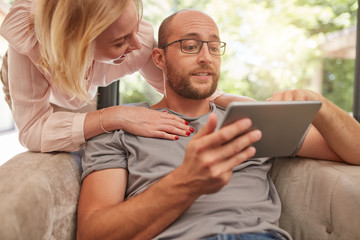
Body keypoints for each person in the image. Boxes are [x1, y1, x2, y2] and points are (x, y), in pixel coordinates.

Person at [77, 9, 360, 240]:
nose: (206, 57)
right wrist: (187, 182)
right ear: (159, 59)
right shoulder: (121, 126)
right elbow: (93, 233)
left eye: (214, 47)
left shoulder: (251, 119)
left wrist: (319, 106)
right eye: (190, 46)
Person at [0, 0, 245, 153]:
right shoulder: (29, 41)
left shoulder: (139, 40)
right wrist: (117, 114)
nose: (138, 44)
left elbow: (183, 89)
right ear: (78, 45)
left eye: (135, 27)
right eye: (120, 42)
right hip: (43, 73)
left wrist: (246, 107)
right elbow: (32, 132)